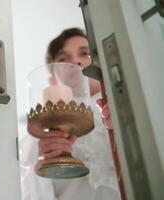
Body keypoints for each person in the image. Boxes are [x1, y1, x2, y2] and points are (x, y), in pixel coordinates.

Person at [20, 28, 118, 200]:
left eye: (84, 53)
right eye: (63, 59)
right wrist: (42, 166)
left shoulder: (129, 107)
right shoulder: (40, 137)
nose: (75, 62)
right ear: (53, 78)